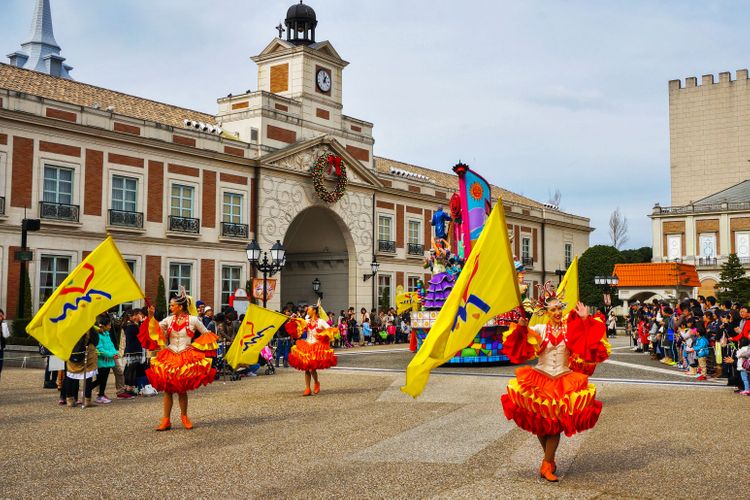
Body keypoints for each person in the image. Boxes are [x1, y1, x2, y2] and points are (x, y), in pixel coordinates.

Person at [500, 284, 609, 482]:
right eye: (553, 309)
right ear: (546, 312)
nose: (557, 312)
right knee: (542, 426)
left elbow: (588, 341)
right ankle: (549, 460)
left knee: (555, 426)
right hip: (540, 378)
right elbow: (520, 346)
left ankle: (547, 464)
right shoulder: (540, 329)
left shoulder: (570, 329)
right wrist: (522, 329)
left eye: (559, 308)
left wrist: (585, 318)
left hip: (564, 379)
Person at [138, 288, 218, 430]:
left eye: (172, 305)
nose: (170, 307)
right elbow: (154, 329)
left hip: (185, 356)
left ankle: (184, 416)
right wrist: (150, 317)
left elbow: (207, 334)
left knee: (182, 389)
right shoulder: (168, 320)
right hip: (169, 355)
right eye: (170, 305)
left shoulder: (194, 320)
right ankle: (166, 420)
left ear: (180, 306)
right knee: (168, 390)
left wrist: (194, 347)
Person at [287, 306, 337, 396]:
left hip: (316, 347)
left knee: (311, 369)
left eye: (309, 309)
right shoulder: (306, 321)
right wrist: (293, 321)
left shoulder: (321, 321)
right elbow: (299, 326)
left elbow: (330, 329)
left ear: (314, 311)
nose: (307, 311)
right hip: (307, 346)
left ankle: (316, 382)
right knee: (307, 369)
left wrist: (322, 335)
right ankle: (307, 388)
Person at [65, 327, 100, 408]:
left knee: (70, 376)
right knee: (88, 377)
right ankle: (87, 400)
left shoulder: (69, 325)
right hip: (88, 355)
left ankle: (69, 400)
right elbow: (96, 341)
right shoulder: (88, 326)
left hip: (72, 352)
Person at [92, 315, 118, 404]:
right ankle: (90, 391)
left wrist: (115, 353)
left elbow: (111, 345)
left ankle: (101, 395)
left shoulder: (107, 334)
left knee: (104, 379)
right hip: (102, 361)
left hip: (108, 361)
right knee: (100, 379)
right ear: (103, 325)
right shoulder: (98, 335)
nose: (110, 327)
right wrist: (111, 355)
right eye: (109, 325)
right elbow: (100, 349)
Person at [0, 308, 9, 382]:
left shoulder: (3, 325)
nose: (0, 317)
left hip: (0, 349)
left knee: (0, 367)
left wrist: (4, 323)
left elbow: (6, 335)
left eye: (1, 316)